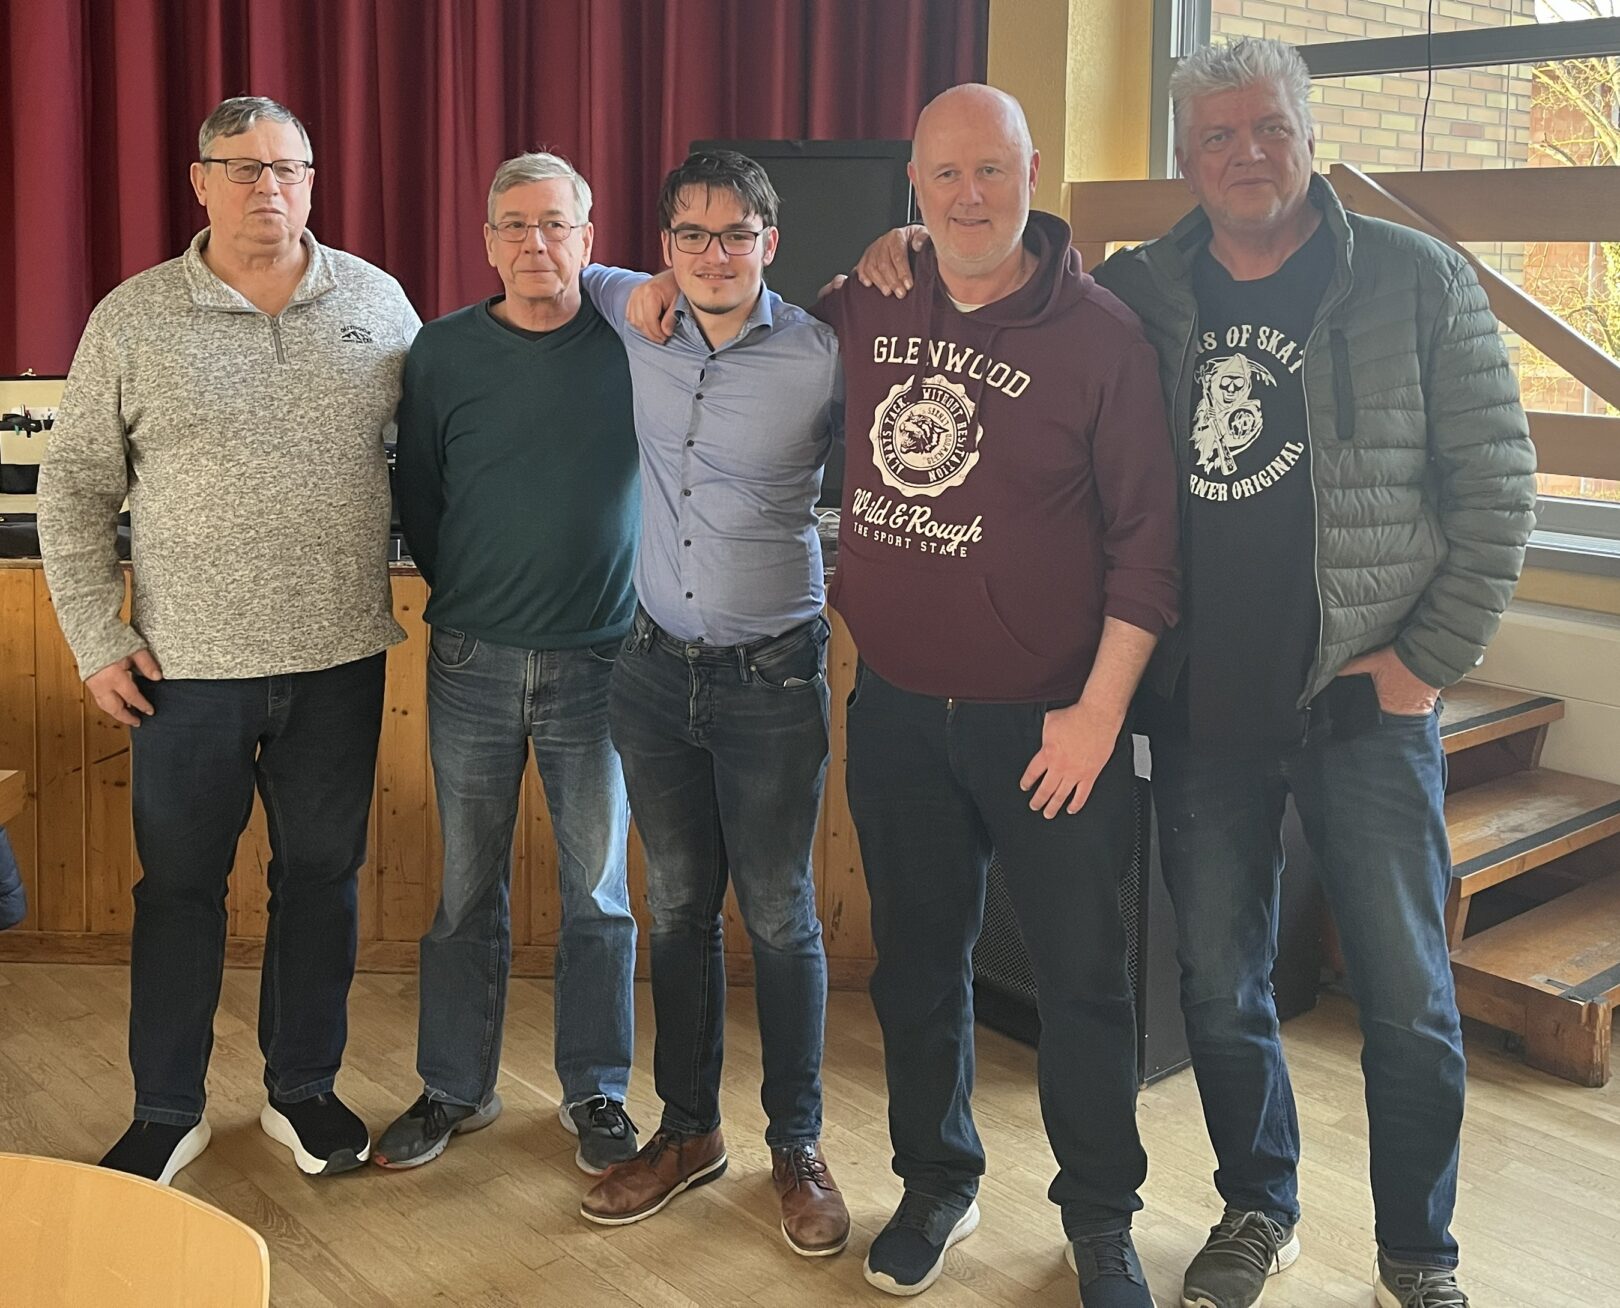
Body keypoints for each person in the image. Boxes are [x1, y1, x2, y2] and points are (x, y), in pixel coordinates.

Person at [854, 38, 1536, 1308]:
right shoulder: (1147, 288)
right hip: (1207, 713)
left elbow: (1500, 490)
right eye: (1217, 135)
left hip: (1362, 706)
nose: (1245, 154)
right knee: (1220, 990)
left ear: (1311, 134)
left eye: (1269, 127)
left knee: (1407, 1001)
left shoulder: (1414, 279)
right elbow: (985, 264)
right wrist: (895, 247)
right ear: (1185, 156)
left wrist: (1426, 661)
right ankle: (1258, 1208)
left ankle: (1418, 1255)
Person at [824, 84, 1180, 1305]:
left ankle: (1099, 1220)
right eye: (944, 174)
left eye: (991, 170)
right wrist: (646, 289)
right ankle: (937, 1183)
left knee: (1083, 981)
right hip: (897, 712)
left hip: (1050, 728)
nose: (968, 195)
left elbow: (1149, 553)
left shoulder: (1103, 336)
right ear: (913, 187)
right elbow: (740, 318)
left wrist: (1097, 716)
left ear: (1034, 173)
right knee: (918, 969)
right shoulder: (871, 297)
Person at [38, 96, 420, 1184]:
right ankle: (168, 1109)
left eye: (288, 167)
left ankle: (302, 1092)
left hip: (339, 660)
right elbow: (74, 489)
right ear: (199, 181)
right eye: (243, 167)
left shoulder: (378, 305)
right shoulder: (134, 317)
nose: (269, 187)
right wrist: (95, 638)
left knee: (322, 880)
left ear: (313, 180)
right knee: (178, 890)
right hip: (183, 672)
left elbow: (445, 453)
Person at [572, 151, 851, 1259]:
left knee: (780, 915)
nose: (714, 254)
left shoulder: (824, 353)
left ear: (770, 244)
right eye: (690, 235)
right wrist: (637, 281)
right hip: (652, 674)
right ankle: (689, 1133)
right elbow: (585, 269)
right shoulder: (636, 311)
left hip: (773, 680)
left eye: (737, 234)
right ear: (666, 246)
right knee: (680, 908)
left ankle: (798, 1145)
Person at [374, 153, 641, 1175]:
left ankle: (597, 1090)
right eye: (516, 225)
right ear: (487, 242)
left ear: (588, 238)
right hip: (471, 661)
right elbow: (421, 497)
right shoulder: (441, 353)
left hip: (602, 663)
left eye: (557, 224)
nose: (537, 243)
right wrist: (479, 598)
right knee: (464, 889)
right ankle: (455, 1086)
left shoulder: (634, 342)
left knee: (599, 893)